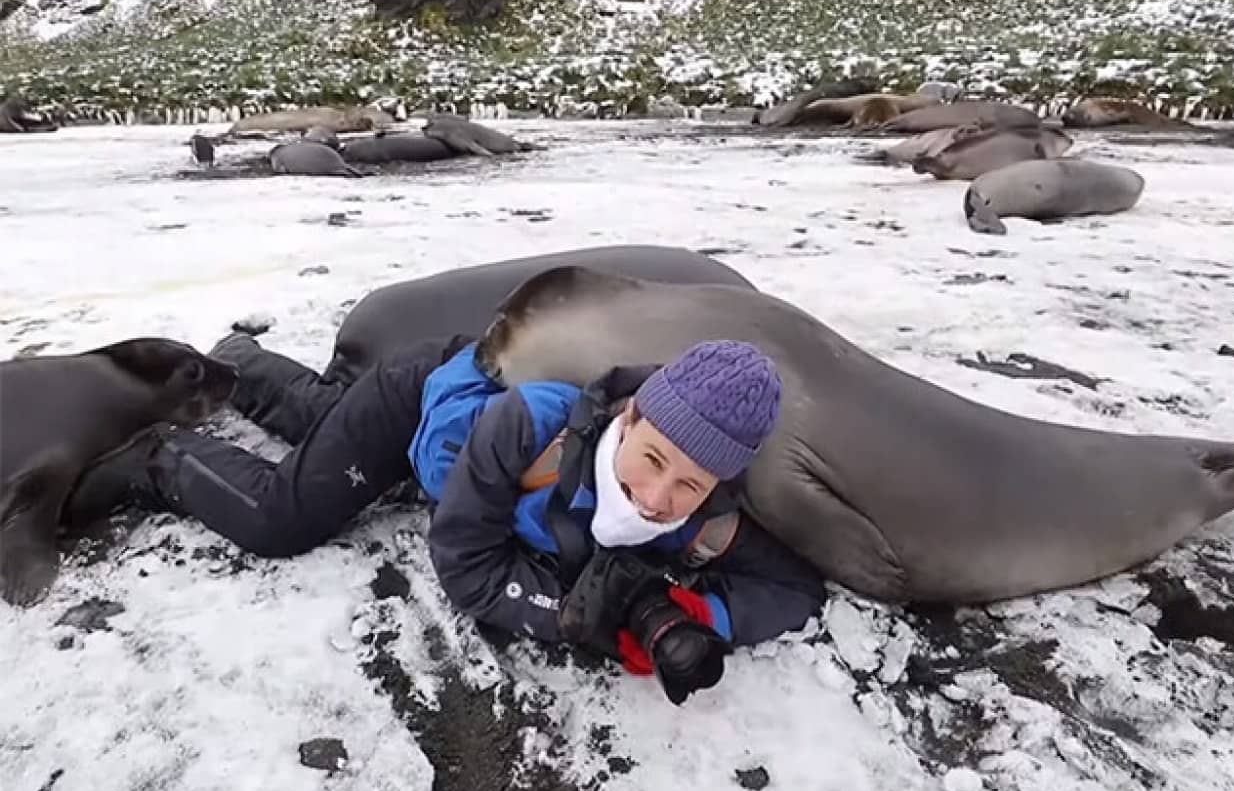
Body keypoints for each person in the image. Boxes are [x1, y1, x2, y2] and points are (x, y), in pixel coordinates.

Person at [67, 331, 827, 705]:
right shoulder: (532, 427)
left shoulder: (697, 518)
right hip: (431, 404)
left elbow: (794, 586)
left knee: (324, 426)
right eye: (653, 460)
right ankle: (161, 455)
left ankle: (242, 360)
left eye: (692, 484)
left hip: (455, 458)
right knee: (282, 516)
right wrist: (570, 614)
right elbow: (466, 565)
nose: (661, 498)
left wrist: (703, 612)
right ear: (630, 417)